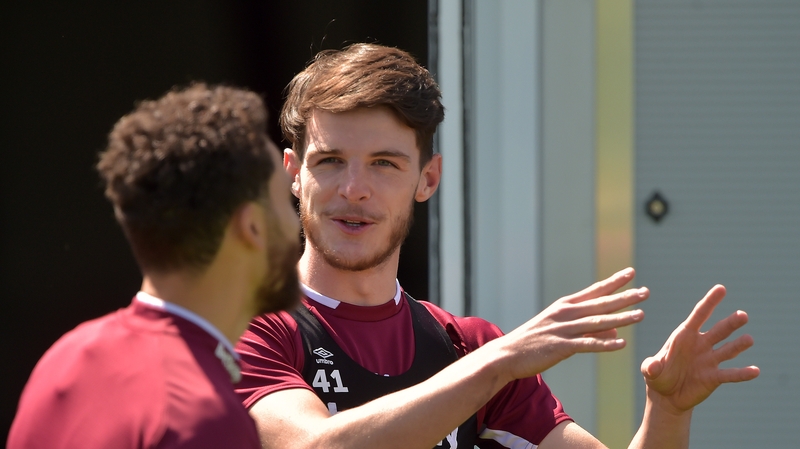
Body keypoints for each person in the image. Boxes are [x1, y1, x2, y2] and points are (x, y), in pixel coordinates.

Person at [235, 44, 760, 449]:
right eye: (329, 161)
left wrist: (667, 411)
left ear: (428, 179)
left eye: (384, 163)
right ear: (293, 174)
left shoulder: (469, 346)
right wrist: (499, 363)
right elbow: (312, 444)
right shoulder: (242, 326)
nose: (354, 189)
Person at [7, 83, 301, 449]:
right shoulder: (204, 419)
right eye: (286, 204)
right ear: (252, 227)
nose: (296, 228)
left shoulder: (65, 359)